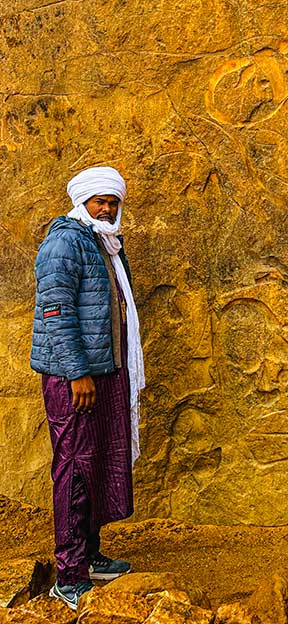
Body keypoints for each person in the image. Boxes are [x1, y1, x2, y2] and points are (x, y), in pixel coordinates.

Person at [30, 166, 145, 611]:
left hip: (102, 371)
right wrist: (77, 372)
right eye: (100, 201)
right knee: (75, 469)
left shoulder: (104, 243)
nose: (108, 208)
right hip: (74, 377)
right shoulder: (65, 241)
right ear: (82, 202)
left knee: (95, 465)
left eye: (113, 201)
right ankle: (68, 575)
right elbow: (55, 311)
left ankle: (90, 557)